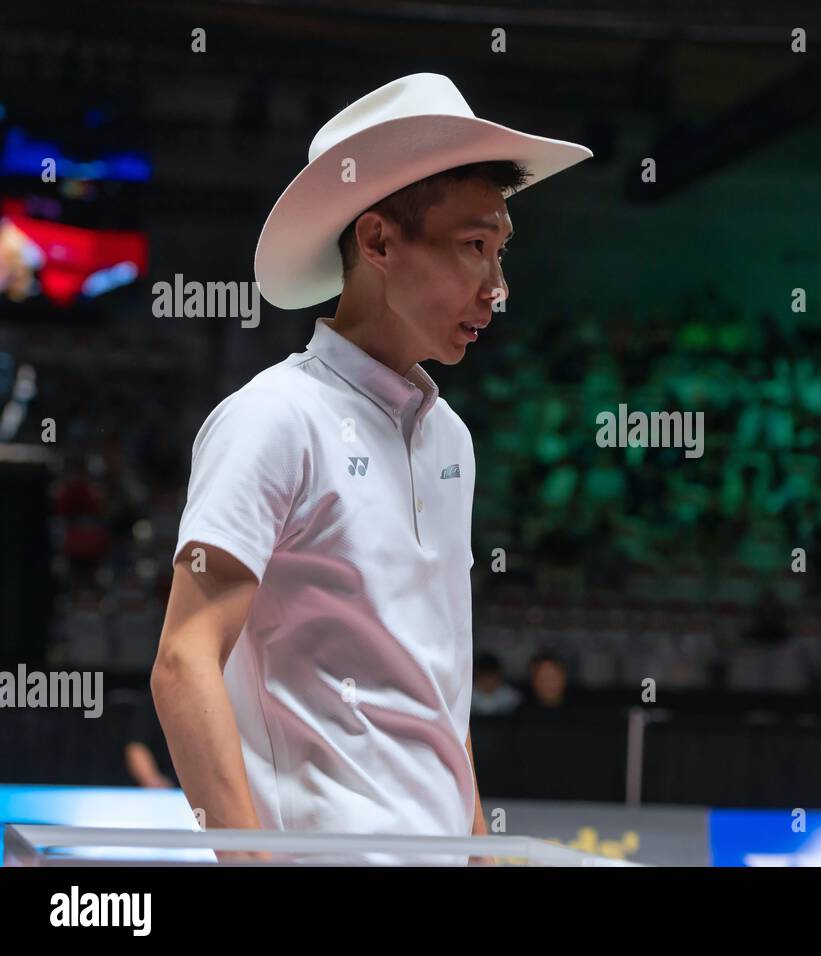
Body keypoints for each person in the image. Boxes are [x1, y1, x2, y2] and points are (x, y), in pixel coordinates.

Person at [151, 74, 591, 842]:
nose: (498, 288)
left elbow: (439, 693)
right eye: (473, 248)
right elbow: (184, 664)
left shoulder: (450, 437)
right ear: (378, 241)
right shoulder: (272, 418)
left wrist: (477, 854)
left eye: (501, 251)